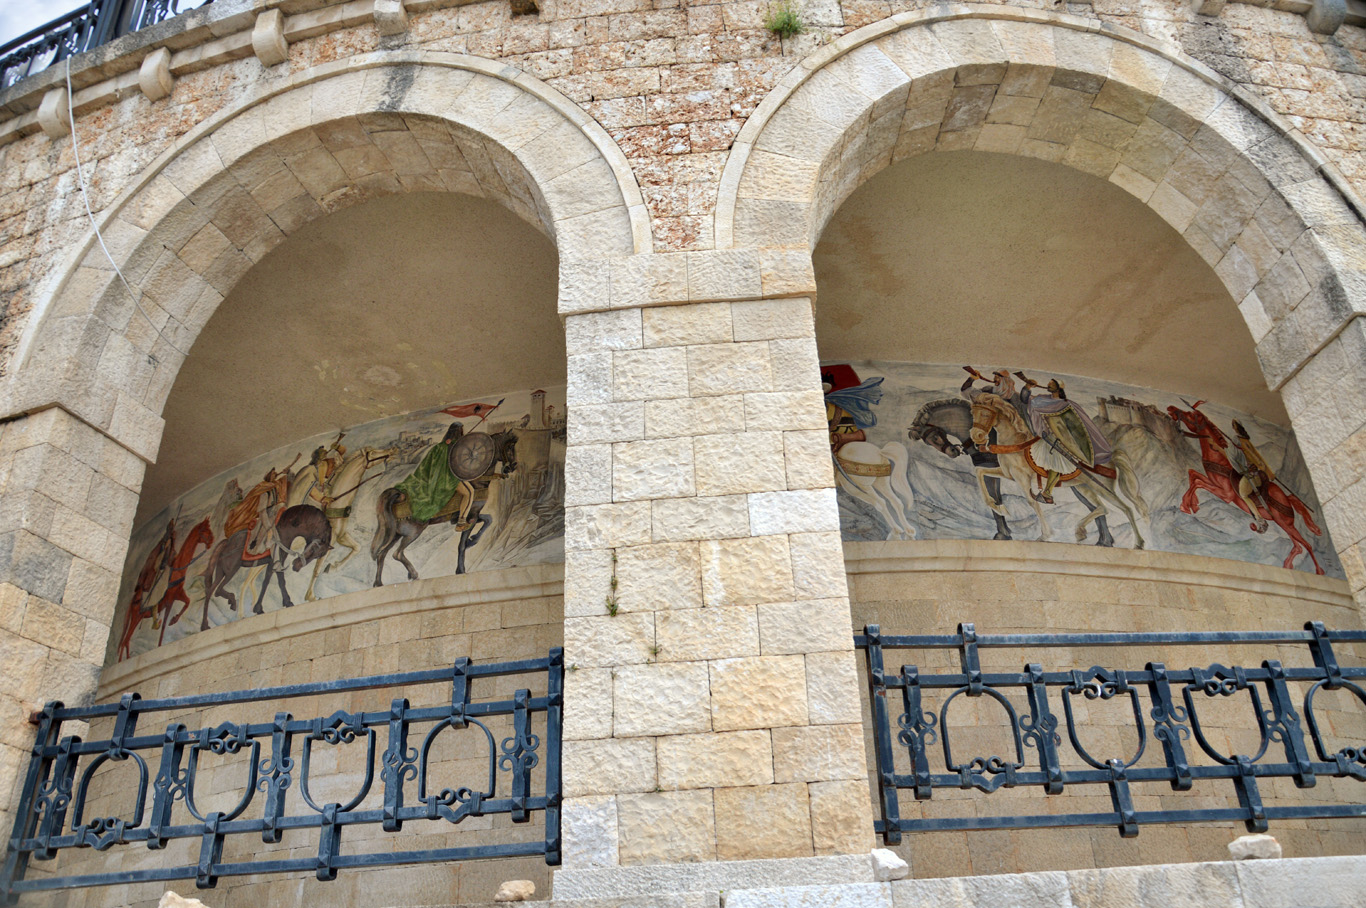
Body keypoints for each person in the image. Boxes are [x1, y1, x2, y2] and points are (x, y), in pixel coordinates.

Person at [395, 422, 475, 528]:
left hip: (435, 481)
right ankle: (461, 521)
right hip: (450, 480)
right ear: (459, 432)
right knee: (470, 492)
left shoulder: (438, 447)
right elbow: (463, 465)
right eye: (461, 431)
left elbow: (425, 466)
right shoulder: (458, 447)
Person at [1231, 419, 1274, 532]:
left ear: (1237, 428)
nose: (1234, 428)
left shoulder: (1239, 441)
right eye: (1233, 426)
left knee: (1243, 494)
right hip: (1258, 473)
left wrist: (1245, 468)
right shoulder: (1246, 440)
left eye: (1234, 426)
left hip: (1253, 475)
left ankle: (1261, 520)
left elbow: (1244, 457)